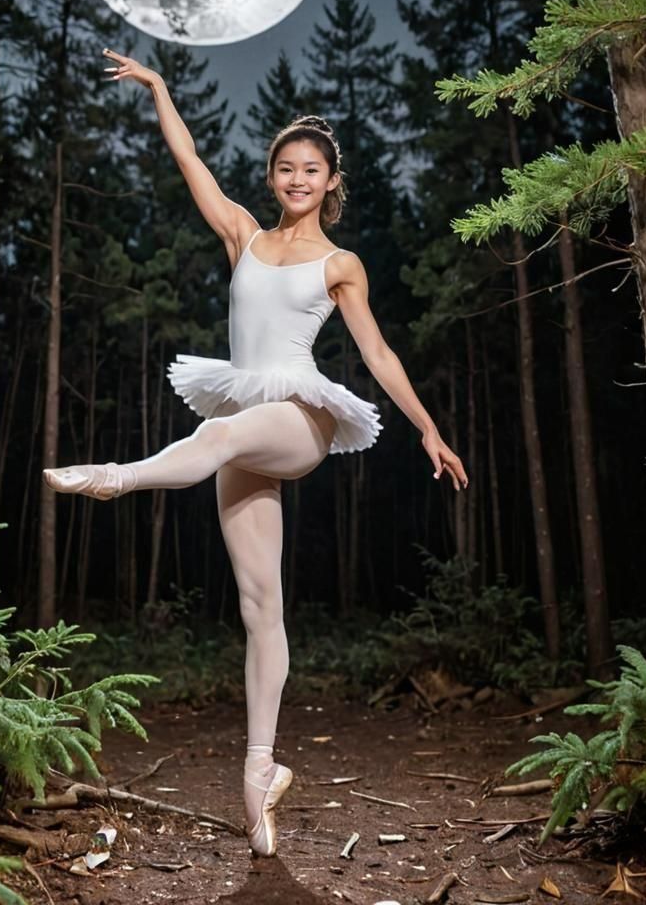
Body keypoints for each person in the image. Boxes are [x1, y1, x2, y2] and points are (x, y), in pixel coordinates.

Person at [44, 49, 468, 857]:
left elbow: (378, 354)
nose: (296, 179)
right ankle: (260, 773)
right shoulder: (242, 235)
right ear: (272, 178)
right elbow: (189, 161)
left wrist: (426, 426)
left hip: (299, 419)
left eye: (311, 170)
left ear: (330, 182)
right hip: (244, 412)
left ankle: (116, 478)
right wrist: (159, 88)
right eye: (285, 168)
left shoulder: (339, 264)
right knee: (258, 606)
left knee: (219, 435)